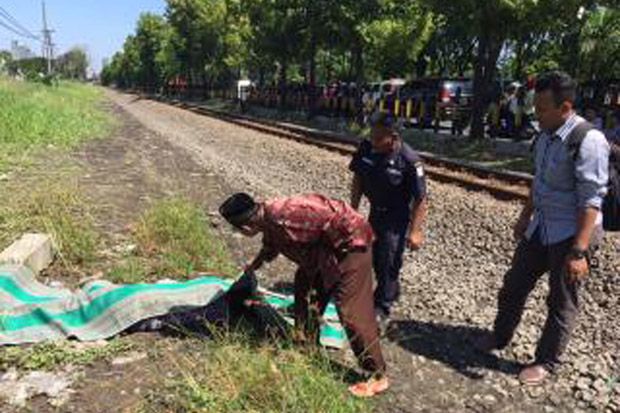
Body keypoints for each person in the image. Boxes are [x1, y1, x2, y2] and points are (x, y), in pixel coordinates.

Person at [474, 71, 610, 385]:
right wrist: (525, 217)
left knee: (561, 300)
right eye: (535, 106)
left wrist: (579, 251)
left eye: (543, 108)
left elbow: (592, 201)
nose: (537, 113)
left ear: (565, 107)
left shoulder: (588, 141)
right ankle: (499, 335)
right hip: (542, 225)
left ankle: (547, 361)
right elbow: (540, 181)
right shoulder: (546, 135)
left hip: (573, 232)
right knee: (514, 285)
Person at [219, 192, 389, 397]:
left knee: (350, 310)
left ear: (246, 227)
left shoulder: (283, 216)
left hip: (349, 244)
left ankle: (378, 374)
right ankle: (307, 345)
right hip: (323, 250)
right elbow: (271, 244)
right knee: (304, 290)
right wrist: (254, 265)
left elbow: (334, 223)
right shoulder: (266, 217)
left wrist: (331, 268)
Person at [349, 111, 428, 325]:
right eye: (371, 136)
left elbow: (421, 199)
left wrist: (416, 231)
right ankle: (391, 288)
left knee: (389, 260)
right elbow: (358, 178)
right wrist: (353, 211)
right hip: (375, 211)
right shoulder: (367, 148)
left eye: (378, 139)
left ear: (393, 137)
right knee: (374, 257)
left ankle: (382, 305)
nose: (373, 143)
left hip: (397, 217)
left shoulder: (409, 160)